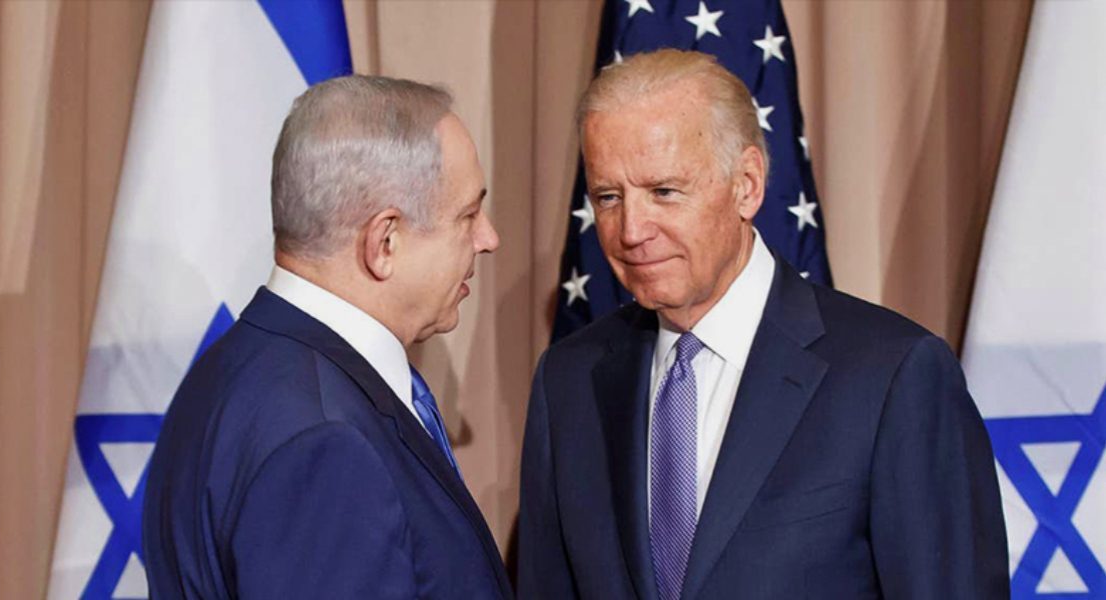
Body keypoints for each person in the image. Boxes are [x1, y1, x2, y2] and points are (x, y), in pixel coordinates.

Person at [518, 49, 1008, 599]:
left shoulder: (892, 376)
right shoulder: (568, 381)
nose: (631, 230)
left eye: (663, 192)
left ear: (747, 185)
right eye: (609, 197)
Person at [143, 75, 510, 599]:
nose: (488, 238)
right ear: (384, 242)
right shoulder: (325, 442)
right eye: (468, 215)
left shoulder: (229, 368)